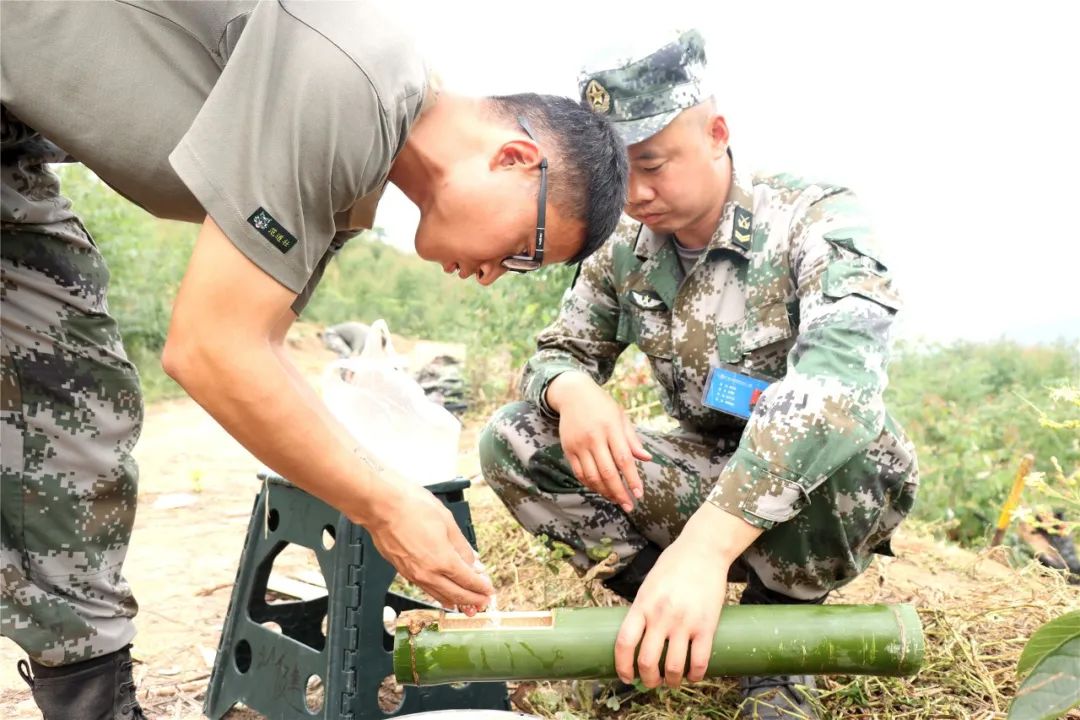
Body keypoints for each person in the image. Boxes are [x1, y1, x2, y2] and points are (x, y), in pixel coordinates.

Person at [0, 2, 628, 717]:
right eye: (524, 250)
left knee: (73, 394)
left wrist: (385, 486)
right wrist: (386, 505)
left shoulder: (363, 165)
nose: (494, 273)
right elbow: (210, 348)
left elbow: (260, 350)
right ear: (515, 160)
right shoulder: (355, 80)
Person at [479, 29, 918, 719]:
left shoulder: (815, 218)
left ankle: (778, 639)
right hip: (703, 467)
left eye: (653, 165)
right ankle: (667, 619)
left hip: (809, 487)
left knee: (861, 445)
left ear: (717, 133)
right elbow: (559, 350)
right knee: (517, 437)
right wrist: (575, 390)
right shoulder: (624, 246)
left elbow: (841, 392)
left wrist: (707, 549)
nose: (638, 194)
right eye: (621, 176)